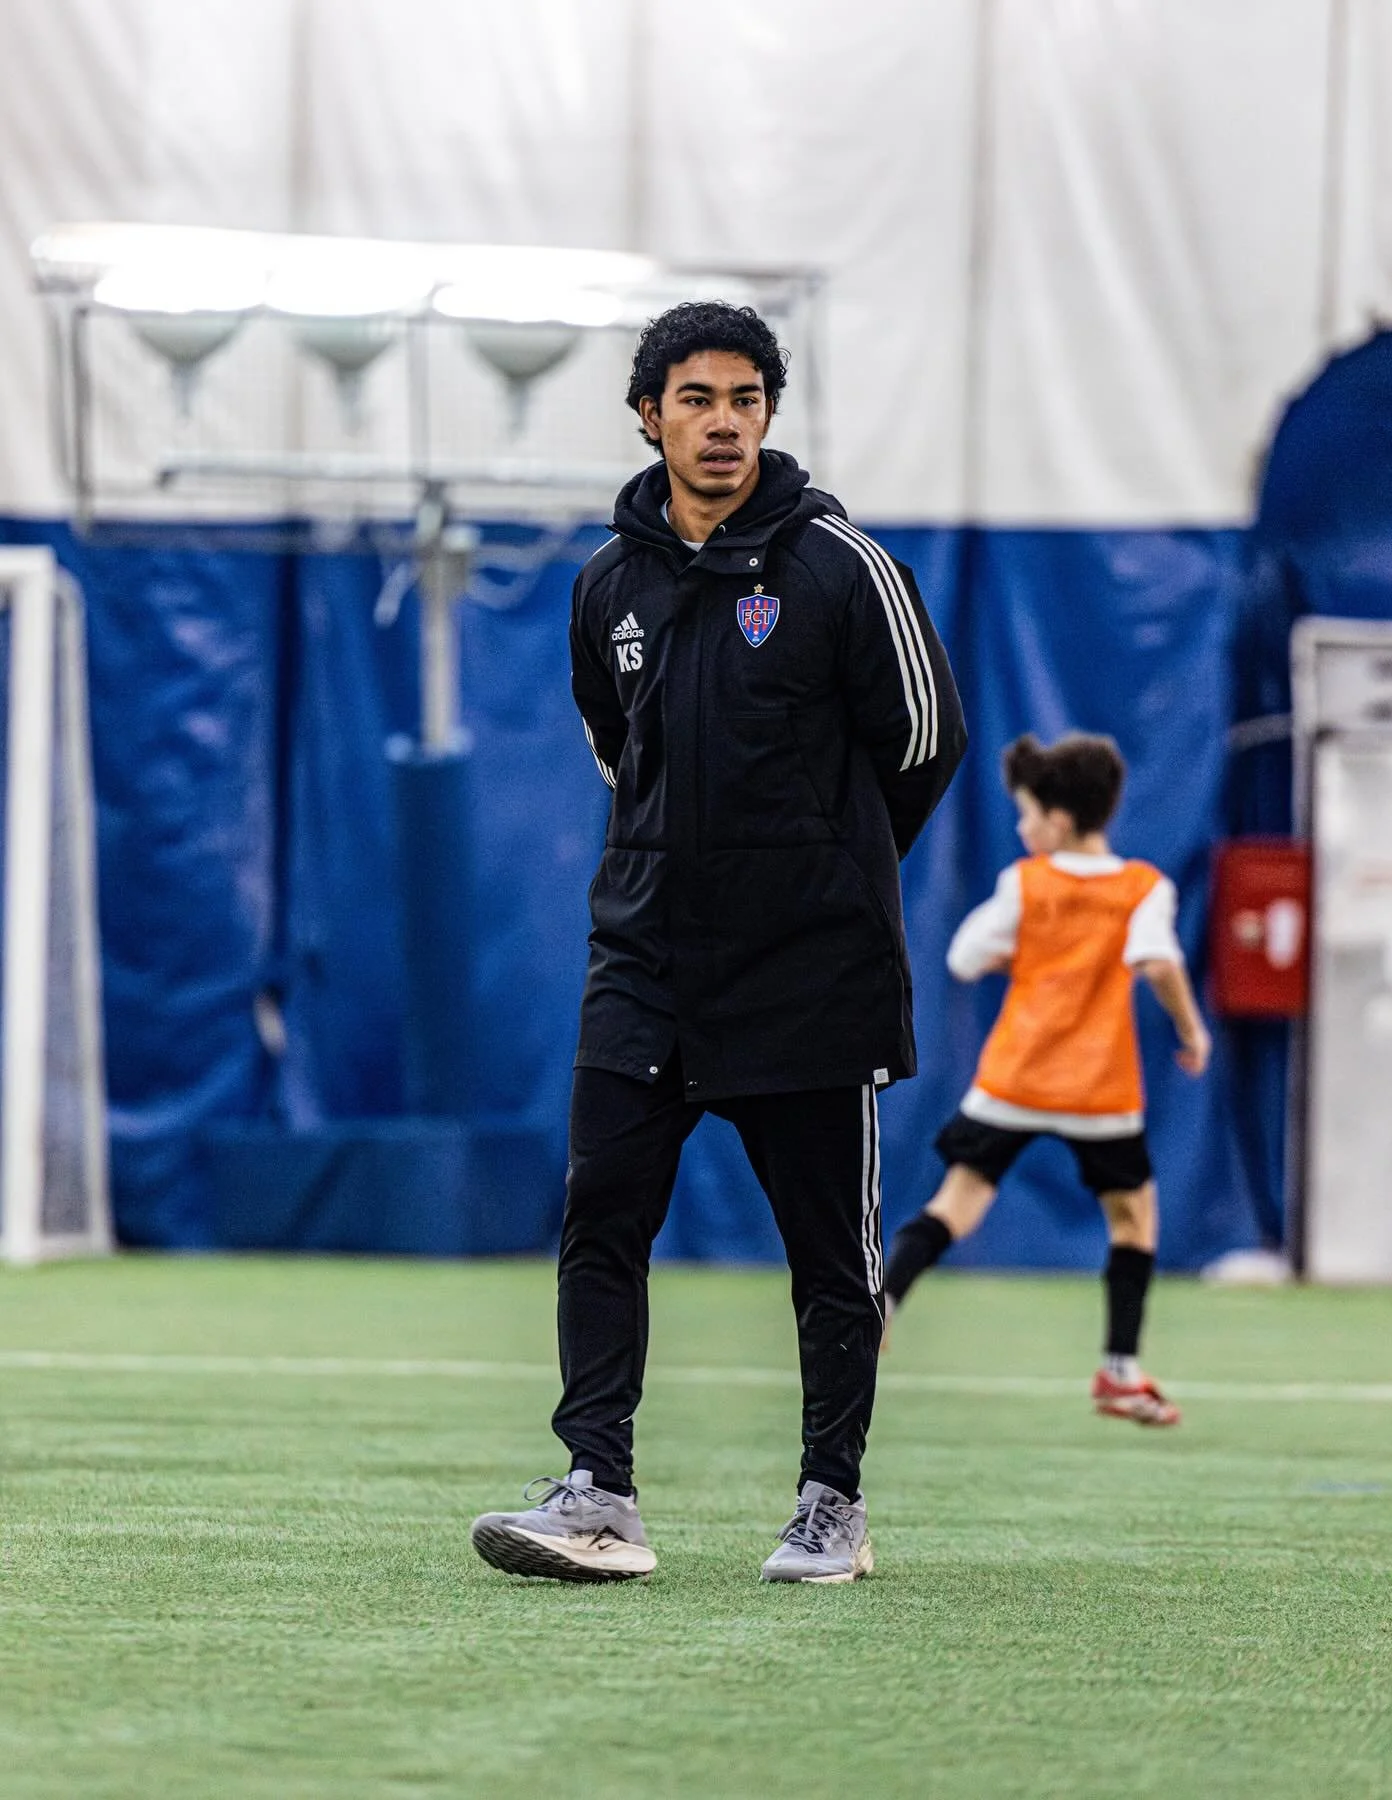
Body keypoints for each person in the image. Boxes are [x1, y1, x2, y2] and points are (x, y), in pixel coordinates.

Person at [469, 300, 965, 1584]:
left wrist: (824, 865)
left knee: (829, 1255)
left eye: (746, 400)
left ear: (769, 416)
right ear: (650, 416)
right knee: (601, 1219)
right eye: (697, 399)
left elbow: (925, 740)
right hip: (645, 965)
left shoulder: (841, 566)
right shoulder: (606, 582)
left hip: (809, 969)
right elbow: (618, 748)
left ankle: (831, 1502)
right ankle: (598, 1493)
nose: (724, 422)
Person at [882, 732, 1210, 1426]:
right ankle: (1120, 1370)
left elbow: (966, 957)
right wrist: (1192, 1031)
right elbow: (1157, 961)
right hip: (1099, 1090)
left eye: (1027, 814)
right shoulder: (1142, 888)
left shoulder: (1025, 883)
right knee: (1133, 1219)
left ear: (1058, 820)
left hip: (1014, 1079)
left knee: (956, 1203)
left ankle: (880, 1308)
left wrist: (1030, 956)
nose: (1022, 828)